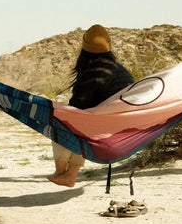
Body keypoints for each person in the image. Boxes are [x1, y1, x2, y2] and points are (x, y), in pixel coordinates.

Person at [47, 24, 135, 187]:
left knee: (59, 122)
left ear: (84, 50)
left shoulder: (93, 72)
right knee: (83, 124)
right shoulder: (120, 70)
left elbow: (77, 107)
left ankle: (63, 173)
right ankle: (69, 174)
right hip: (126, 126)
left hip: (105, 128)